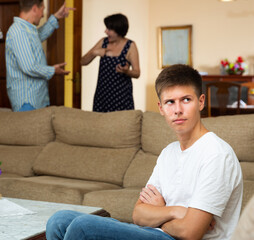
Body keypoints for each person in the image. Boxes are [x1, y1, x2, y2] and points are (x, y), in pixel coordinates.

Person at [45, 64, 243, 240]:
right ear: (161, 108)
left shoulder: (216, 154)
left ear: (201, 102)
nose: (178, 110)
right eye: (170, 102)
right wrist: (177, 211)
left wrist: (160, 215)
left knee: (83, 227)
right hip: (156, 233)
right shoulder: (168, 152)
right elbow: (138, 214)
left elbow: (190, 233)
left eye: (186, 99)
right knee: (59, 220)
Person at [5, 0, 75, 112]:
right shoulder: (19, 31)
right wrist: (53, 70)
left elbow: (40, 35)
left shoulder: (26, 30)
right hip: (27, 101)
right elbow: (29, 67)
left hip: (34, 99)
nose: (42, 15)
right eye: (42, 10)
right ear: (34, 9)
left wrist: (56, 17)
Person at [81, 13, 140, 112]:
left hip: (122, 98)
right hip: (102, 96)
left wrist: (127, 72)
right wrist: (94, 52)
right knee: (100, 125)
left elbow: (137, 73)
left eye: (109, 29)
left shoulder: (130, 46)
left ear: (119, 30)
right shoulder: (103, 42)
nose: (105, 31)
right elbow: (83, 62)